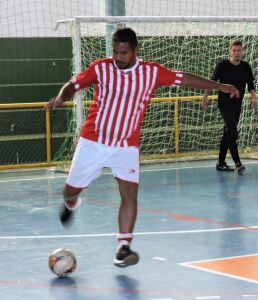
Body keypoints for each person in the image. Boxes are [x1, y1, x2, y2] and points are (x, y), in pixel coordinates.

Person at [45, 27, 239, 267]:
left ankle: (123, 247)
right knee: (69, 191)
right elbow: (74, 84)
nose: (118, 57)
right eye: (115, 52)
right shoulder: (101, 67)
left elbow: (185, 78)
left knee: (129, 194)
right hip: (93, 142)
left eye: (124, 52)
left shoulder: (152, 72)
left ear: (135, 50)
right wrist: (62, 97)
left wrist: (221, 86)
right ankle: (71, 202)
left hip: (126, 146)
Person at [202, 40, 257, 175]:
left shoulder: (245, 67)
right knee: (233, 131)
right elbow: (211, 83)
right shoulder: (223, 65)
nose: (237, 53)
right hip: (224, 104)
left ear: (242, 51)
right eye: (234, 50)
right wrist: (205, 98)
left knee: (228, 133)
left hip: (237, 105)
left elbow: (250, 85)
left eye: (239, 50)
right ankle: (238, 164)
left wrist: (254, 97)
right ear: (230, 51)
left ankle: (221, 164)